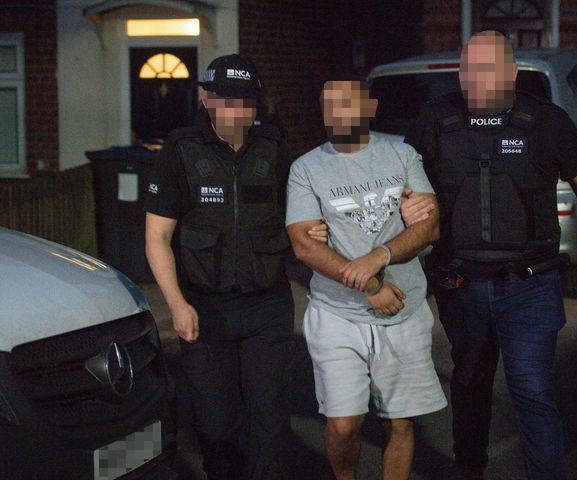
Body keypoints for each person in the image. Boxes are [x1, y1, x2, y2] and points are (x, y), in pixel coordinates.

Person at [402, 31, 577, 479]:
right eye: (468, 68)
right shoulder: (433, 121)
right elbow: (402, 186)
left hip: (530, 284)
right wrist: (407, 206)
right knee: (469, 383)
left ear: (510, 73)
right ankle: (470, 467)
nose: (475, 78)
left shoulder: (546, 122)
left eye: (487, 68)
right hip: (461, 282)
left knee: (532, 389)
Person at [144, 53, 327, 480]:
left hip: (268, 307)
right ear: (206, 98)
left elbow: (300, 212)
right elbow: (157, 239)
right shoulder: (181, 149)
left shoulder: (274, 146)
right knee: (215, 422)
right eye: (225, 100)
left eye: (246, 102)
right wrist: (177, 304)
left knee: (269, 420)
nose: (236, 111)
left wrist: (313, 229)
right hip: (205, 309)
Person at [286, 79, 447, 480]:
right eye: (328, 105)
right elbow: (304, 245)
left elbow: (429, 228)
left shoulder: (401, 154)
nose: (337, 113)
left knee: (400, 421)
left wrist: (380, 256)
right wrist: (371, 285)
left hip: (404, 310)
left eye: (347, 103)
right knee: (344, 423)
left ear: (369, 107)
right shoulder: (306, 167)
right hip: (337, 313)